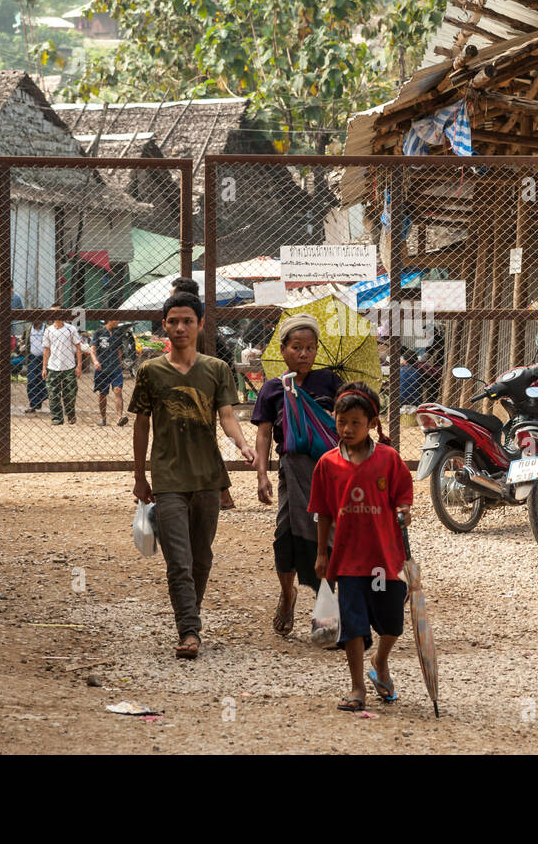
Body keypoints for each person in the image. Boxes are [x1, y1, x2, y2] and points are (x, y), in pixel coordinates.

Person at [131, 291, 255, 660]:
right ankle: (189, 630)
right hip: (168, 478)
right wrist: (140, 477)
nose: (181, 327)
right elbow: (141, 426)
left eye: (188, 321)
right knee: (179, 561)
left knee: (202, 559)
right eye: (173, 321)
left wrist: (243, 445)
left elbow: (228, 416)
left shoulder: (216, 369)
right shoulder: (150, 371)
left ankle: (190, 615)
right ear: (164, 326)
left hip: (207, 478)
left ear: (201, 325)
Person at [309, 382, 413, 712]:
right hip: (348, 560)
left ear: (371, 423)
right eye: (342, 422)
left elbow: (403, 497)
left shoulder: (389, 460)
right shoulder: (327, 464)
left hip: (384, 557)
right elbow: (323, 512)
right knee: (352, 623)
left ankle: (380, 661)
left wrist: (403, 511)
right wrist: (322, 554)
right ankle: (357, 688)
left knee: (392, 621)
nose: (348, 429)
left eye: (356, 422)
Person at [252, 314, 342, 636]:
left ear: (317, 350)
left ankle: (326, 607)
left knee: (327, 538)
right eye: (296, 347)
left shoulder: (329, 382)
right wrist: (262, 475)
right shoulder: (274, 389)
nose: (303, 354)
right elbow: (263, 435)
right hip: (291, 472)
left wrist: (336, 417)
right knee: (285, 536)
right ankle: (288, 594)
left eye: (309, 348)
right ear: (283, 349)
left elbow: (350, 420)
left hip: (330, 473)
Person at [171, 277, 235, 511]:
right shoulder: (196, 321)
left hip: (204, 389)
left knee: (204, 442)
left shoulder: (193, 327)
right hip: (201, 387)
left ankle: (223, 494)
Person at [43, 306, 91, 426]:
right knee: (53, 393)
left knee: (70, 393)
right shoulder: (48, 330)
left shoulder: (71, 329)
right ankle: (57, 417)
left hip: (69, 366)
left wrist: (79, 366)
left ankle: (70, 414)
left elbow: (78, 348)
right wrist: (44, 367)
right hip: (53, 366)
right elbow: (46, 350)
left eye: (57, 312)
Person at [93, 319, 131, 426]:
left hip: (115, 368)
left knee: (118, 390)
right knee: (102, 394)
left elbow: (119, 351)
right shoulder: (99, 332)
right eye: (116, 319)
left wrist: (120, 366)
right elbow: (93, 349)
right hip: (102, 368)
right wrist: (95, 361)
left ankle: (119, 418)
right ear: (110, 320)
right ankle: (103, 418)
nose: (118, 321)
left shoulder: (118, 334)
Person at [22, 319, 47, 413]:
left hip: (45, 358)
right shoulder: (29, 329)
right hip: (32, 358)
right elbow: (25, 340)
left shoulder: (46, 329)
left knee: (42, 382)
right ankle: (33, 405)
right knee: (31, 381)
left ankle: (39, 401)